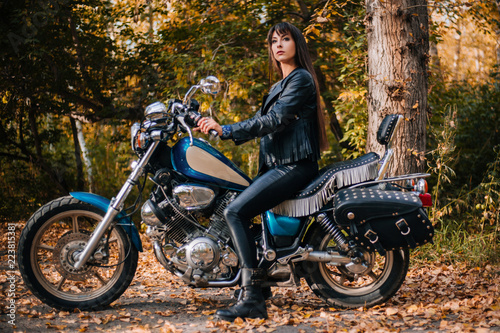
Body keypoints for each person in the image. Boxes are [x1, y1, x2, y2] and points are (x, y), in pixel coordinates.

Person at [194, 22, 328, 321]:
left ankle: (252, 297)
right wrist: (209, 124)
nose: (278, 45)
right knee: (235, 204)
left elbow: (274, 120)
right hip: (280, 165)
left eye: (285, 39)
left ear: (298, 44)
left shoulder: (301, 79)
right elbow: (261, 119)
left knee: (235, 212)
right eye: (273, 41)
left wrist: (227, 130)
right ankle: (262, 283)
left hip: (294, 166)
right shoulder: (281, 84)